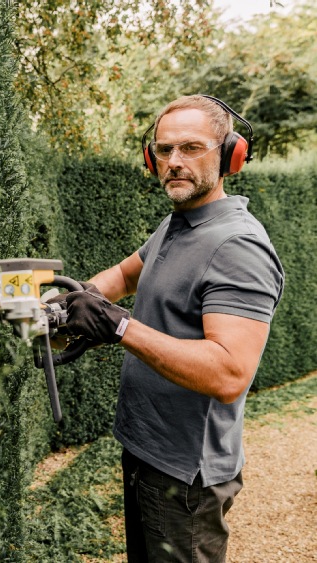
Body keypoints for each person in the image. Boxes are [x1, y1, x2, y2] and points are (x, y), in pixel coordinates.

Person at [52, 94, 285, 562]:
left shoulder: (237, 246)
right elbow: (122, 276)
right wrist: (68, 305)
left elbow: (229, 373)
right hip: (146, 448)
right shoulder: (177, 225)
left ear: (230, 154)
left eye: (191, 147)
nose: (174, 162)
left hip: (185, 476)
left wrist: (119, 327)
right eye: (163, 150)